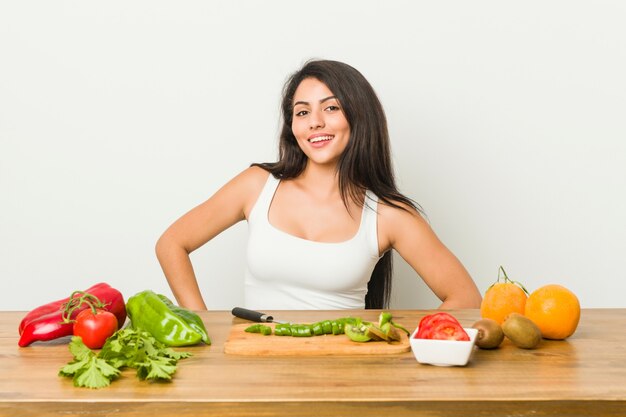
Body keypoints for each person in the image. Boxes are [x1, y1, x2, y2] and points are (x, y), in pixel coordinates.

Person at [156, 59, 482, 311]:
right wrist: (201, 323)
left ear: (358, 117)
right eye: (302, 112)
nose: (315, 122)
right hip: (257, 370)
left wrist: (406, 347)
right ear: (293, 125)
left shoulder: (387, 214)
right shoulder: (256, 186)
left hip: (344, 378)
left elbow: (465, 298)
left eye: (331, 107)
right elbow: (172, 243)